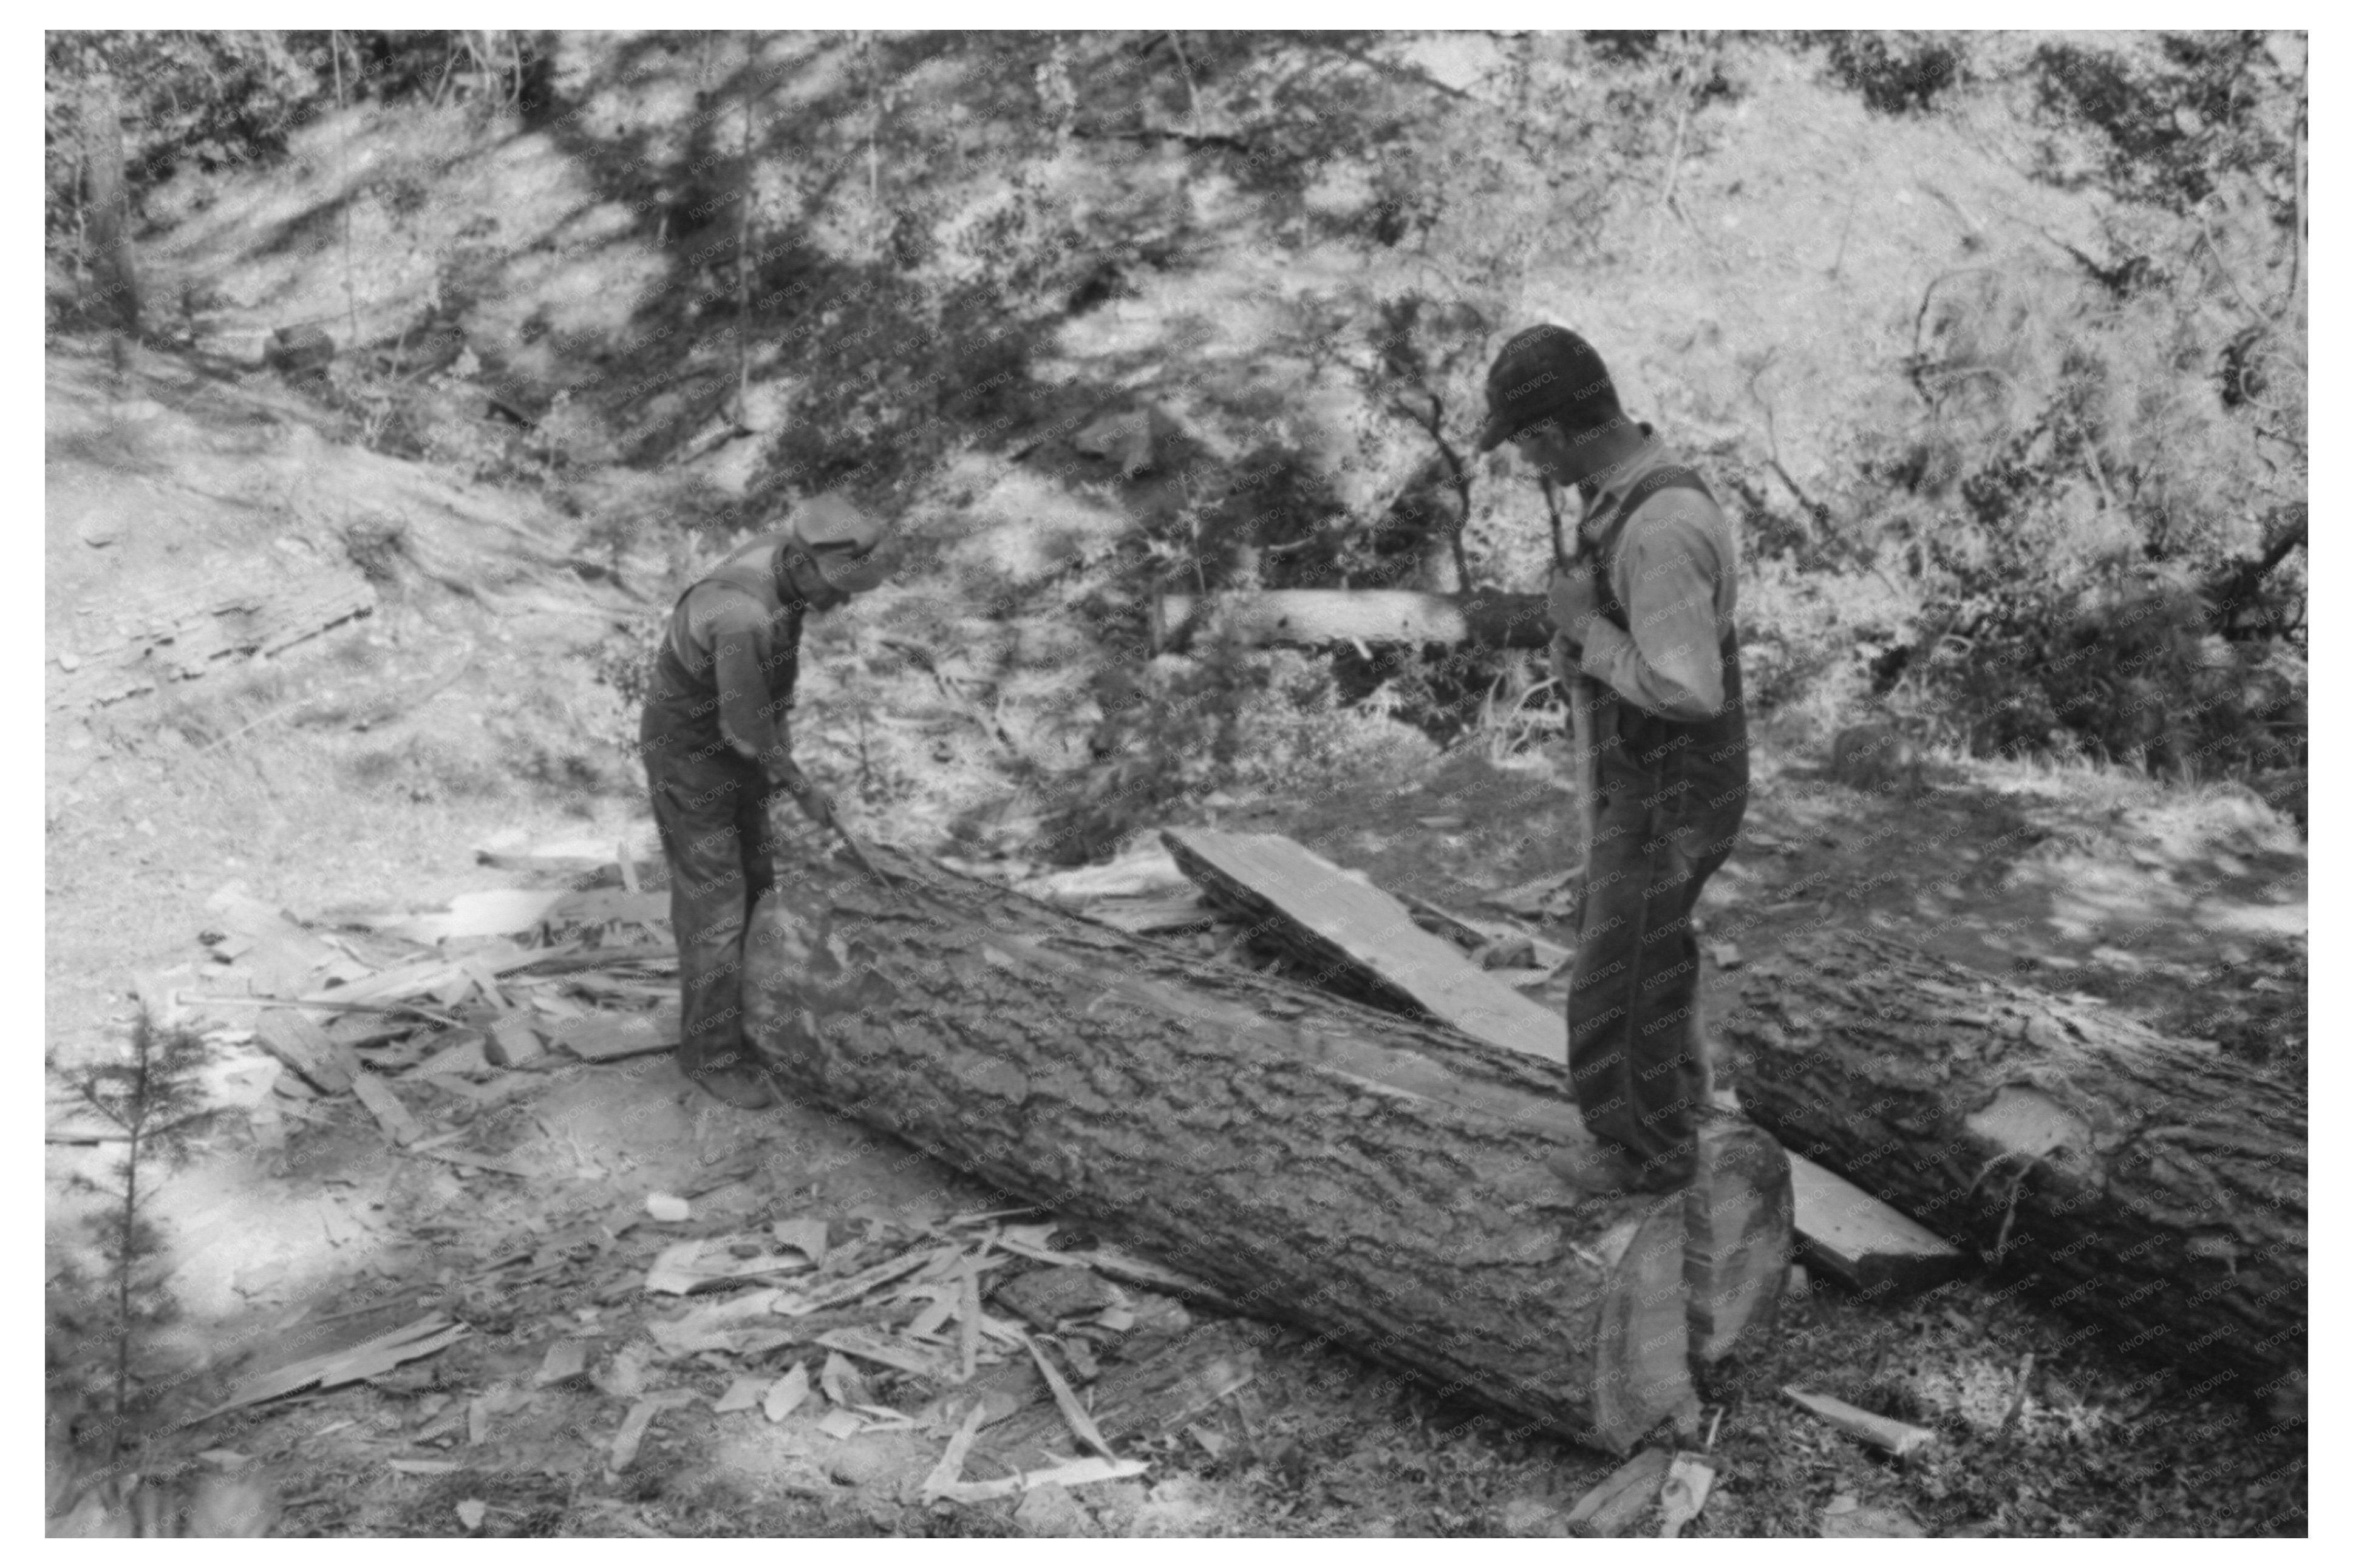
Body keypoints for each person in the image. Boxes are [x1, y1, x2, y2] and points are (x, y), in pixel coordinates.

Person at [1474, 325, 1748, 1196]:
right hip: (1651, 770)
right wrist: (1583, 629)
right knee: (1642, 938)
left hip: (1674, 776)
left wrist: (1584, 629)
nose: (1522, 460)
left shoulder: (1659, 530)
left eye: (1522, 442)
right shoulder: (1623, 494)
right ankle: (1683, 1101)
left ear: (1551, 430)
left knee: (1612, 971)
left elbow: (1687, 688)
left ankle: (1642, 1153)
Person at [638, 494, 891, 1108]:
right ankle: (710, 1055)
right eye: (839, 586)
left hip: (735, 736)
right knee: (715, 907)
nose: (845, 599)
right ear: (802, 564)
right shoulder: (740, 612)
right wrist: (800, 786)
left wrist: (785, 760)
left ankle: (752, 1016)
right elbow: (746, 732)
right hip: (690, 754)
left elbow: (769, 700)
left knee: (757, 880)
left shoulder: (787, 572)